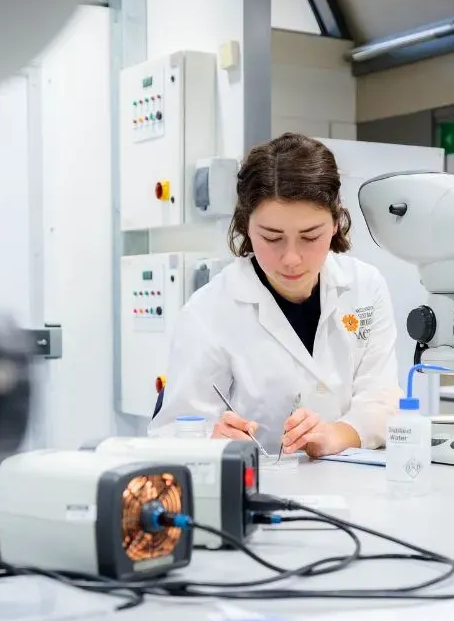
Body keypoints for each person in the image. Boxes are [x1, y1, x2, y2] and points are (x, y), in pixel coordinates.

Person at [148, 133, 399, 457]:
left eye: (310, 236)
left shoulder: (365, 286)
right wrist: (213, 442)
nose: (291, 258)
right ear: (246, 226)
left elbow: (382, 399)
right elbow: (170, 434)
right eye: (272, 237)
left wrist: (335, 435)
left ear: (336, 221)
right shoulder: (208, 312)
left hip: (352, 481)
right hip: (258, 484)